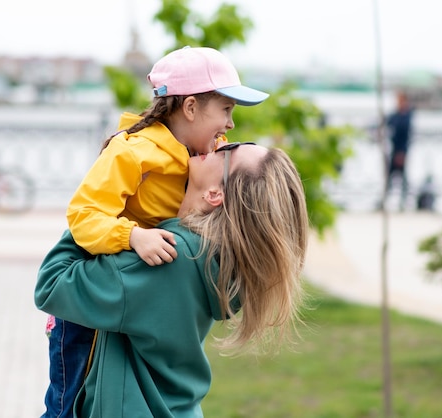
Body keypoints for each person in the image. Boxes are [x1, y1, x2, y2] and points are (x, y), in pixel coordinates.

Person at [41, 46, 269, 417]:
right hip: (88, 302)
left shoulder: (205, 156)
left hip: (135, 291)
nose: (230, 125)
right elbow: (83, 214)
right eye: (226, 110)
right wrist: (131, 236)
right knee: (65, 403)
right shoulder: (132, 153)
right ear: (191, 108)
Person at [35, 142, 309, 417]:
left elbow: (52, 284)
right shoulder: (218, 262)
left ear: (215, 193)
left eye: (228, 151)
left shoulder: (169, 257)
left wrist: (101, 214)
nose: (219, 143)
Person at [384, 90, 414, 210]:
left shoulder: (407, 116)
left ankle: (404, 202)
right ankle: (387, 201)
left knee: (403, 178)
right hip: (393, 150)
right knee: (391, 177)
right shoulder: (395, 115)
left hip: (401, 151)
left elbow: (406, 136)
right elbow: (386, 123)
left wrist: (402, 153)